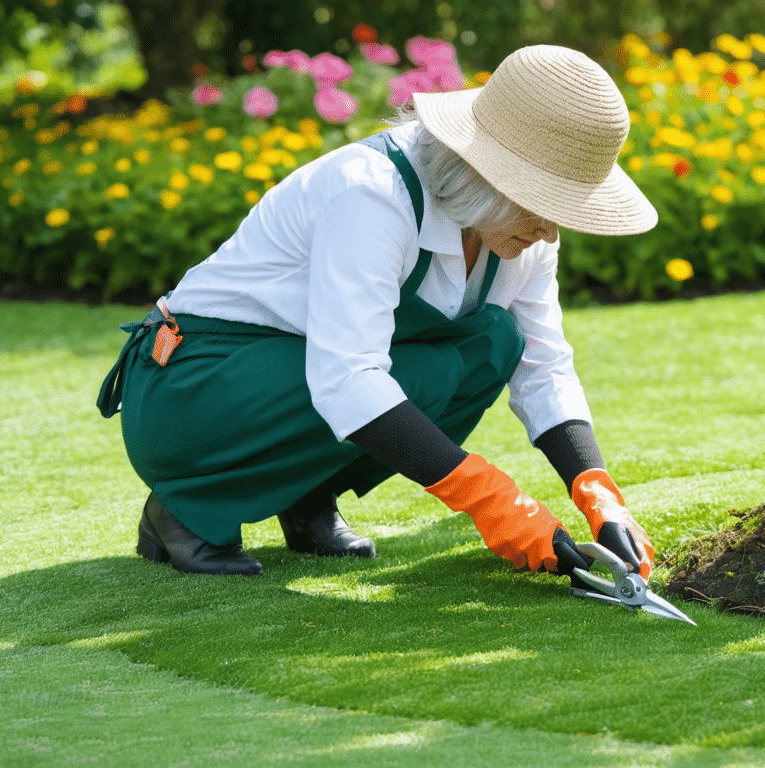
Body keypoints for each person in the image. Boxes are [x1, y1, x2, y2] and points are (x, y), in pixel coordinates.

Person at [96, 45, 658, 581]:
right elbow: (348, 377)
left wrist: (597, 491)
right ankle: (187, 509)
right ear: (484, 173)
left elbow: (544, 364)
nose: (551, 229)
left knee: (493, 341)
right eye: (543, 201)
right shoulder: (371, 192)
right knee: (417, 373)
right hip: (193, 390)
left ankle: (306, 497)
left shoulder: (524, 233)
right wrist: (492, 501)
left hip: (287, 379)